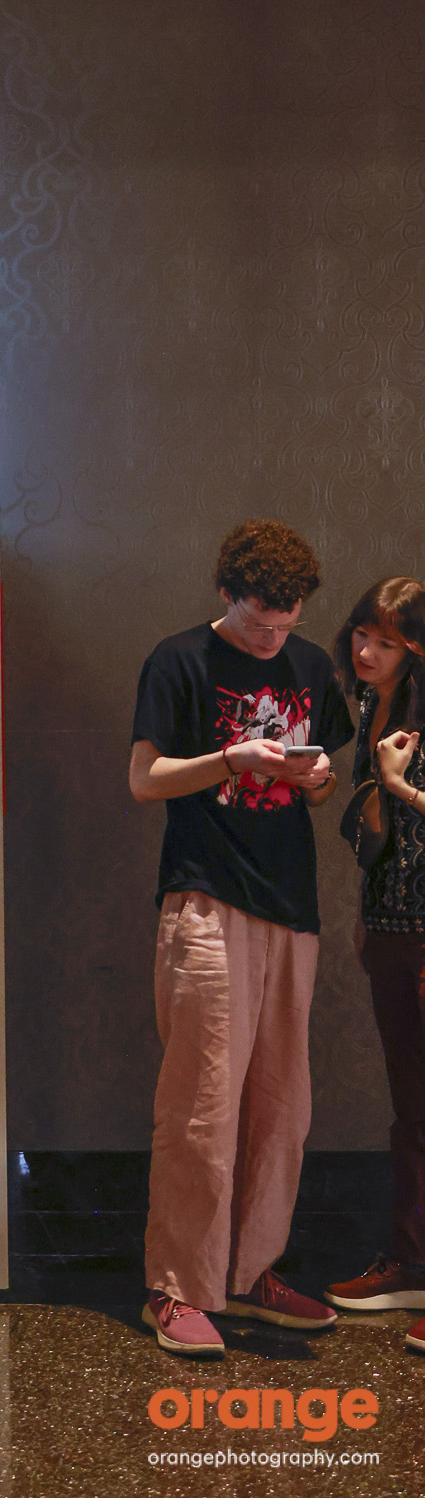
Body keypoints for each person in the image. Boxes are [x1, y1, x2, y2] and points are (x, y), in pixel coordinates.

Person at [130, 520, 354, 1356]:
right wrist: (234, 759)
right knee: (203, 1105)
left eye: (287, 621)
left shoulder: (308, 666)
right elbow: (144, 778)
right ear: (228, 595)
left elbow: (323, 778)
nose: (274, 636)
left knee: (283, 1107)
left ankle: (251, 1270)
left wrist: (317, 775)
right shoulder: (180, 659)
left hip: (290, 905)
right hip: (207, 898)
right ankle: (178, 1289)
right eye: (260, 620)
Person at [324, 578, 425, 1350]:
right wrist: (366, 914)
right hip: (393, 927)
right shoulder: (369, 709)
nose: (366, 651)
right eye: (362, 633)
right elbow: (376, 830)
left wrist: (397, 787)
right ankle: (410, 1263)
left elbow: (397, 802)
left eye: (386, 641)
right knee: (412, 1107)